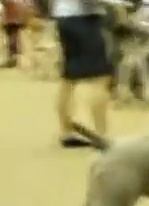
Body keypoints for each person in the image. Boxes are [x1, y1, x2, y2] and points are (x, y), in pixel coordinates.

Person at [52, 0, 113, 148]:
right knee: (100, 76)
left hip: (65, 16)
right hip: (82, 18)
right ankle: (100, 133)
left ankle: (67, 130)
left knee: (69, 76)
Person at [1, 0, 29, 68]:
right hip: (16, 18)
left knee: (12, 38)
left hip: (10, 19)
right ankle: (15, 57)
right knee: (14, 37)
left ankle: (13, 56)